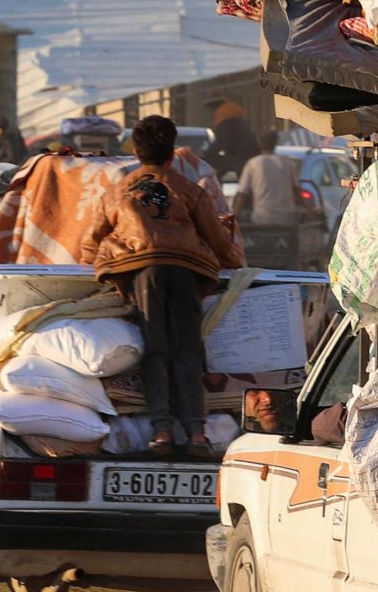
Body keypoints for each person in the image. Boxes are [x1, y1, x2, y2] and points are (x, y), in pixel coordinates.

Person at [80, 115, 245, 458]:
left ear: (137, 152)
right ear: (172, 154)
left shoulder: (115, 192)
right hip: (186, 272)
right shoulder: (189, 190)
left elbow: (89, 245)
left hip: (141, 273)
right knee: (187, 350)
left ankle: (162, 432)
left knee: (156, 349)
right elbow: (218, 243)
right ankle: (197, 436)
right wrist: (235, 263)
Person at [232, 131, 301, 229]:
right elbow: (297, 191)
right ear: (275, 142)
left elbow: (242, 195)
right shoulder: (287, 162)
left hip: (262, 218)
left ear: (258, 143)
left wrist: (234, 219)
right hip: (287, 219)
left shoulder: (252, 164)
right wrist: (312, 212)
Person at [203, 98, 257, 179]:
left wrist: (205, 154)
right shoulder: (239, 121)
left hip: (241, 159)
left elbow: (221, 143)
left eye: (211, 111)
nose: (211, 114)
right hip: (249, 157)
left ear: (216, 109)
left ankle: (213, 182)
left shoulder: (226, 122)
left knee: (208, 159)